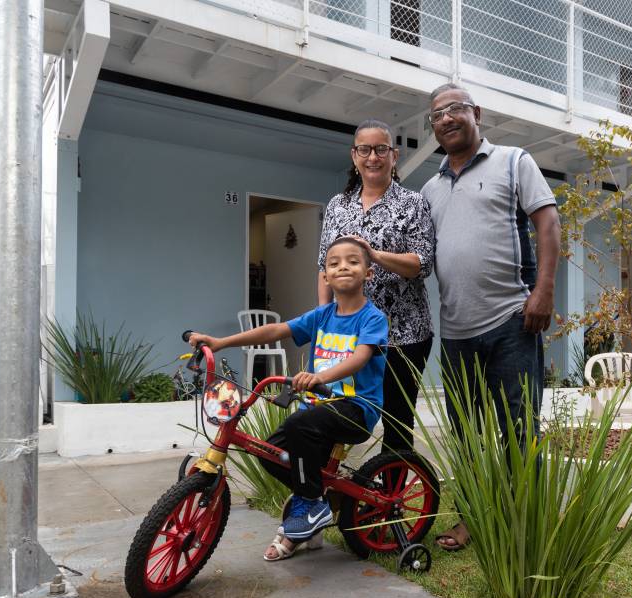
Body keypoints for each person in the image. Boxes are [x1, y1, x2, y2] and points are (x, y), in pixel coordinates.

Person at [420, 83, 562, 551]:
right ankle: (474, 517)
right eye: (437, 114)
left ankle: (528, 521)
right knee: (466, 435)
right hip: (457, 332)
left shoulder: (513, 161)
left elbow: (548, 223)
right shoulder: (430, 188)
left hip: (512, 322)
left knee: (519, 429)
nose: (446, 119)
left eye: (456, 109)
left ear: (476, 113)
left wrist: (542, 291)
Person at [188, 237, 388, 561]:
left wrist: (321, 377)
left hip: (356, 409)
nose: (343, 267)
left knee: (298, 425)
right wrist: (222, 341)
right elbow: (275, 331)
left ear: (369, 273)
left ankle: (309, 505)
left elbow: (361, 357)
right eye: (334, 263)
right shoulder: (322, 316)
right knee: (270, 453)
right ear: (325, 275)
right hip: (318, 410)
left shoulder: (372, 318)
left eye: (352, 261)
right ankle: (314, 501)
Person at [318, 118, 436, 458]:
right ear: (354, 156)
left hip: (404, 335)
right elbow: (322, 266)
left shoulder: (412, 202)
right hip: (347, 335)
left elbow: (422, 263)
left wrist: (374, 255)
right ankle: (332, 495)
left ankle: (392, 499)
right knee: (339, 414)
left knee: (397, 421)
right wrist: (324, 320)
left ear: (394, 156)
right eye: (365, 149)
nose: (373, 157)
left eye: (381, 149)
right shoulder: (338, 206)